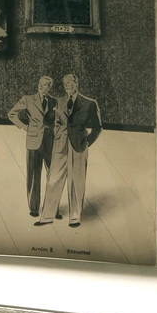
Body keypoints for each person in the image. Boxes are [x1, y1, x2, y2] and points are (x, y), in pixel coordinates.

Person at [37, 73, 102, 228]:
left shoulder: (89, 103)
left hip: (79, 146)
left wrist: (87, 143)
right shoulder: (58, 102)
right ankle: (46, 216)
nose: (67, 86)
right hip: (60, 145)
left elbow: (97, 127)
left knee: (77, 181)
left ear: (76, 84)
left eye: (70, 83)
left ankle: (75, 217)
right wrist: (51, 112)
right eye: (65, 84)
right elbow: (47, 122)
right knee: (53, 179)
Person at [7, 76, 57, 218]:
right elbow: (11, 114)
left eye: (46, 84)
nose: (42, 86)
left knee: (53, 175)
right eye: (41, 83)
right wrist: (24, 126)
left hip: (51, 140)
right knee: (34, 175)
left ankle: (52, 208)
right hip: (34, 141)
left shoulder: (55, 101)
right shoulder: (28, 99)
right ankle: (34, 208)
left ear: (50, 87)